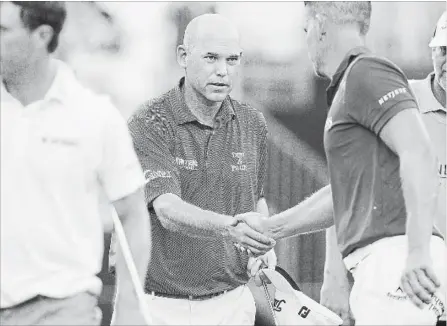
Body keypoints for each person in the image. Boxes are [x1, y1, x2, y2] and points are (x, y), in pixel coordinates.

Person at [234, 2, 446, 325]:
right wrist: (271, 228)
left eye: (306, 30)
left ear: (321, 26)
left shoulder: (368, 72)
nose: (306, 42)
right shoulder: (356, 81)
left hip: (397, 265)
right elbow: (345, 193)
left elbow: (419, 153)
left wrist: (417, 251)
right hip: (387, 266)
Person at [0, 2, 151, 325]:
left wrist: (129, 307)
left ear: (41, 35)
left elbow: (133, 215)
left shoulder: (94, 117)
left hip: (61, 309)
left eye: (2, 30)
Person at [123, 13, 276, 326]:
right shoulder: (149, 121)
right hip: (159, 307)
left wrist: (264, 240)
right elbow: (166, 210)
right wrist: (232, 228)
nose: (222, 71)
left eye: (232, 60)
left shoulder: (253, 123)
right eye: (211, 58)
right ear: (183, 56)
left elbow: (255, 199)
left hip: (233, 304)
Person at [318, 11, 447, 326]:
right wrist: (334, 275)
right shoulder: (397, 102)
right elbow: (346, 188)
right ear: (431, 50)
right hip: (408, 284)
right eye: (443, 50)